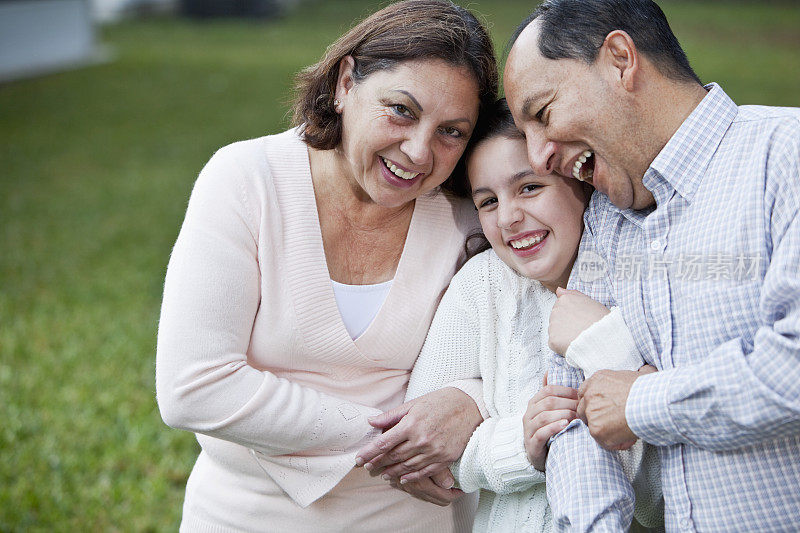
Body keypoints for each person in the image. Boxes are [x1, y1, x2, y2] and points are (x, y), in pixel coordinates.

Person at [155, 1, 499, 530]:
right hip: (243, 514)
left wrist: (469, 402)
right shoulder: (247, 180)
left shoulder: (470, 218)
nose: (418, 151)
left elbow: (518, 348)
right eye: (401, 109)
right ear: (344, 84)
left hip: (410, 518)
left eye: (451, 131)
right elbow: (193, 386)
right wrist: (401, 439)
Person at [502, 0, 800, 531]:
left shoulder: (786, 156)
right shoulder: (605, 219)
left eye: (542, 113)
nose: (538, 155)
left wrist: (642, 402)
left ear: (620, 59)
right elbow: (572, 416)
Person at [401, 99, 662, 532]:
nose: (508, 218)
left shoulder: (643, 284)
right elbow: (432, 457)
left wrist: (605, 347)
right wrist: (524, 444)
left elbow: (666, 502)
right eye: (487, 202)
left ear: (583, 185)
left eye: (529, 188)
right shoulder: (483, 284)